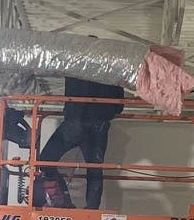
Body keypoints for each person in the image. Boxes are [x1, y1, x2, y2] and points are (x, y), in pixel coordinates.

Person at [34, 76, 125, 209]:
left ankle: (66, 201)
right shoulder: (109, 69)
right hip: (98, 122)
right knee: (94, 169)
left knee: (46, 161)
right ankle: (91, 208)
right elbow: (119, 102)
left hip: (77, 118)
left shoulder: (80, 68)